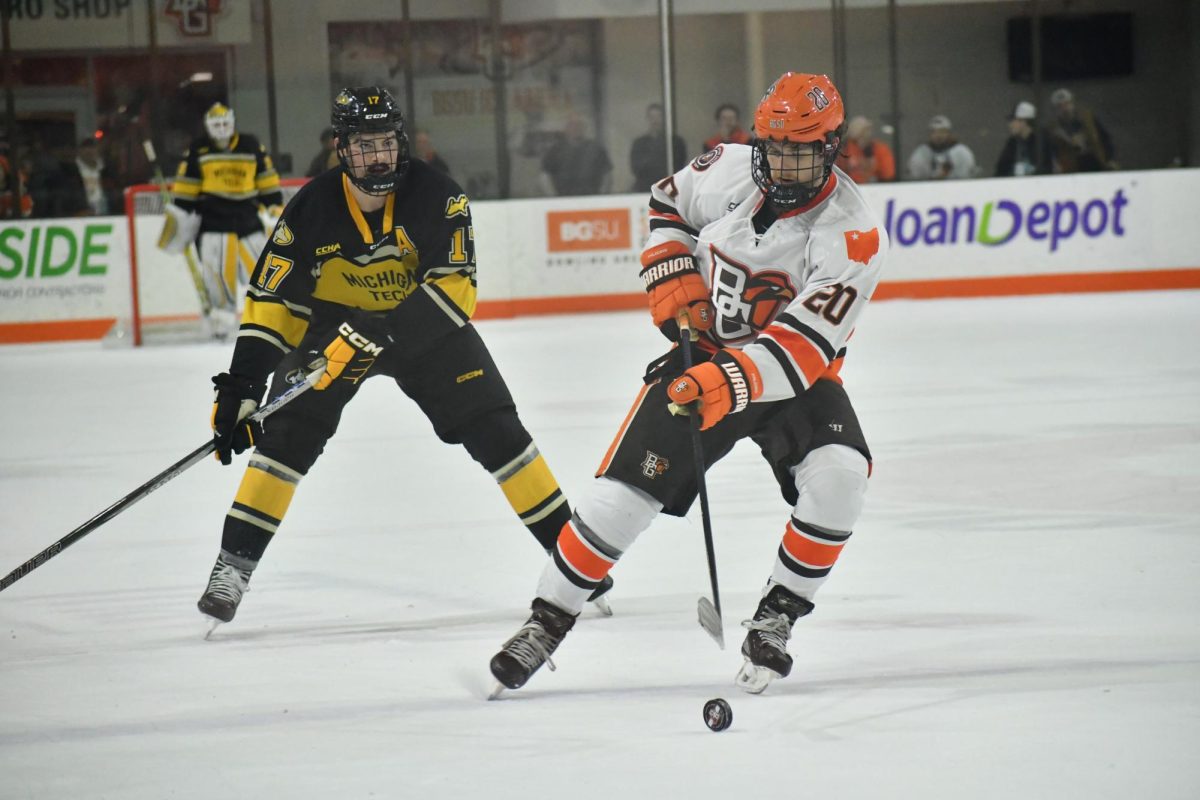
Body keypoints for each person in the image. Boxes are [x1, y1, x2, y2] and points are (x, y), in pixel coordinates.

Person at [489, 72, 886, 696]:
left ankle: (777, 616)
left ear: (832, 147)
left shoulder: (852, 233)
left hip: (792, 379)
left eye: (801, 151)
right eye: (775, 147)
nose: (783, 164)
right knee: (620, 499)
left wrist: (729, 376)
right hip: (699, 352)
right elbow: (666, 203)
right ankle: (546, 621)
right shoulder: (727, 168)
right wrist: (672, 269)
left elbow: (804, 347)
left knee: (840, 478)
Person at [196, 86, 610, 629]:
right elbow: (275, 301)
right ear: (341, 149)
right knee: (285, 438)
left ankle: (575, 567)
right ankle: (232, 568)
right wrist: (244, 384)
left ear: (401, 142)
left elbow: (456, 290)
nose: (377, 156)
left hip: (425, 331)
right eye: (363, 145)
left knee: (499, 433)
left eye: (385, 142)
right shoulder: (310, 209)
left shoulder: (440, 195)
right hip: (332, 328)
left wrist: (382, 334)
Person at [160, 103, 284, 339]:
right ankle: (221, 324)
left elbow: (267, 178)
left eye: (225, 123)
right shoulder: (199, 149)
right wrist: (180, 213)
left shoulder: (251, 145)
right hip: (213, 225)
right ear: (208, 127)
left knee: (264, 273)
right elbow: (187, 185)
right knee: (217, 278)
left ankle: (272, 318)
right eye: (216, 125)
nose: (221, 128)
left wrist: (274, 204)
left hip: (249, 221)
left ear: (233, 123)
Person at [539, 115, 612, 196]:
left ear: (584, 128)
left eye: (579, 125)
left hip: (591, 199)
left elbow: (607, 174)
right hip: (564, 200)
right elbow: (545, 175)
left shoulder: (597, 148)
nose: (575, 128)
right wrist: (553, 197)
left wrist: (603, 195)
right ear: (565, 128)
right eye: (571, 125)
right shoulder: (555, 150)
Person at [1047, 88, 1116, 173]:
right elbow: (1053, 152)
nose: (1065, 108)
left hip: (1096, 161)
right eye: (1060, 106)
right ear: (1055, 109)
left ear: (1072, 103)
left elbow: (1105, 138)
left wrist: (1110, 159)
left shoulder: (1088, 118)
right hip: (1073, 168)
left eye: (1067, 104)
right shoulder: (1053, 129)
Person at [628, 102, 687, 193]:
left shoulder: (675, 142)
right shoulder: (639, 143)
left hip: (670, 190)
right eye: (652, 117)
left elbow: (679, 167)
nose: (655, 121)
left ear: (664, 118)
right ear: (647, 119)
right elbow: (636, 168)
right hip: (645, 190)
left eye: (658, 116)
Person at [59, 138, 120, 216]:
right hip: (82, 215)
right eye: (85, 149)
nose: (89, 152)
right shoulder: (71, 172)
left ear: (98, 150)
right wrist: (78, 211)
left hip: (108, 214)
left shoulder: (106, 171)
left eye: (92, 148)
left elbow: (114, 193)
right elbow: (66, 197)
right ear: (79, 151)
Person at [907, 114, 976, 180]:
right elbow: (916, 177)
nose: (938, 135)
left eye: (942, 131)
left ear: (949, 133)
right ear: (929, 134)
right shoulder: (921, 152)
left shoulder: (961, 152)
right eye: (934, 132)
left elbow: (966, 177)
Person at [994, 101, 1052, 177]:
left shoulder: (1042, 142)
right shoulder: (1012, 143)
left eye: (1013, 120)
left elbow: (1047, 170)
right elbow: (1001, 170)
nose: (1010, 125)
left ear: (1023, 122)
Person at [835, 115, 895, 183]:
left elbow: (888, 175)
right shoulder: (845, 148)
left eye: (867, 130)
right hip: (849, 187)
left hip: (875, 188)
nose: (866, 133)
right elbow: (837, 172)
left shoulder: (880, 149)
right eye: (863, 130)